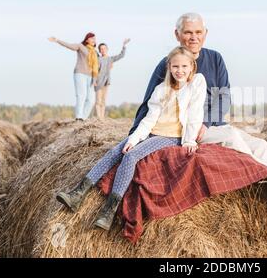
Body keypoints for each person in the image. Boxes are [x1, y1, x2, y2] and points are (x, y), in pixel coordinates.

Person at [128, 12, 267, 211]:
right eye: (188, 32)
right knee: (233, 136)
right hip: (184, 130)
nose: (194, 37)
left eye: (198, 32)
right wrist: (134, 139)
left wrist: (205, 123)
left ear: (205, 33)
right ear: (177, 34)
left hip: (210, 126)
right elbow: (149, 103)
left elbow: (223, 98)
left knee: (261, 145)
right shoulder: (169, 64)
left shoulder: (215, 59)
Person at [56, 46, 207, 230]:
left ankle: (108, 211)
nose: (180, 70)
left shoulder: (196, 83)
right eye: (176, 66)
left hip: (171, 137)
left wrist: (190, 140)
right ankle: (77, 194)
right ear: (169, 67)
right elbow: (149, 120)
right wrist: (133, 140)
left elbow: (195, 114)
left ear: (192, 67)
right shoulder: (161, 89)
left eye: (184, 66)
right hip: (152, 132)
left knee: (131, 156)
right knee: (116, 151)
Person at [48, 33, 98, 121]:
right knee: (81, 96)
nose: (94, 40)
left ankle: (84, 118)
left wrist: (95, 78)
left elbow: (96, 66)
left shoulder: (94, 52)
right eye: (92, 38)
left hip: (91, 77)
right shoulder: (80, 46)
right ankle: (79, 117)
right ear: (87, 40)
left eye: (94, 38)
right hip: (80, 74)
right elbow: (69, 46)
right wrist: (57, 40)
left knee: (91, 100)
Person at [95, 39, 131, 119]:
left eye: (104, 48)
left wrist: (124, 46)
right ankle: (98, 118)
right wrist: (94, 81)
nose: (103, 50)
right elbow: (94, 70)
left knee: (103, 101)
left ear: (107, 49)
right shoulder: (98, 59)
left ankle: (102, 118)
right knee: (98, 101)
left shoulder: (110, 59)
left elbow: (121, 55)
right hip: (98, 82)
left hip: (106, 82)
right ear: (99, 51)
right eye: (101, 49)